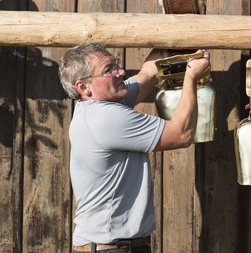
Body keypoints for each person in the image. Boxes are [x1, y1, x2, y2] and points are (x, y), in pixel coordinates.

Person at [58, 43, 210, 253]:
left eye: (116, 64)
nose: (120, 72)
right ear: (84, 87)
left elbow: (148, 73)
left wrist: (175, 32)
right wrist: (191, 78)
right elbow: (182, 135)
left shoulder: (102, 105)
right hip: (111, 249)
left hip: (115, 247)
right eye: (108, 69)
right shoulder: (105, 118)